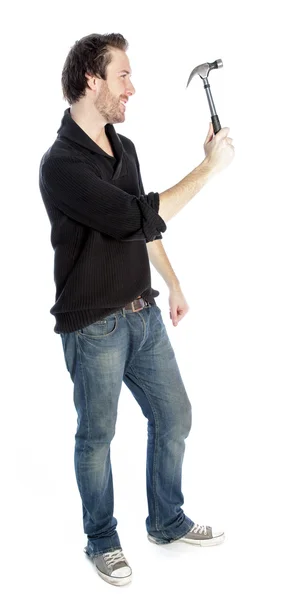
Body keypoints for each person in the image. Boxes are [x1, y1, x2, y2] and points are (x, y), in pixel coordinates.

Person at [39, 33, 235, 587]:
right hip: (93, 326)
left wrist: (172, 283)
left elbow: (146, 229)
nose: (133, 87)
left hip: (141, 314)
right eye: (123, 75)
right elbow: (133, 219)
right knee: (96, 438)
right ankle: (101, 540)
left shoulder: (125, 151)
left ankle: (166, 520)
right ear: (90, 81)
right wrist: (209, 169)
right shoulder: (59, 165)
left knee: (175, 416)